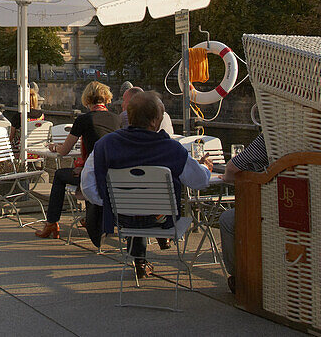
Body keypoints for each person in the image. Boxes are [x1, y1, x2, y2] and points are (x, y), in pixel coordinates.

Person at [91, 90, 213, 278]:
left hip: (121, 218)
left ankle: (138, 258)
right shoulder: (171, 148)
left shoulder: (105, 145)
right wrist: (205, 167)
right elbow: (200, 182)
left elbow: (89, 186)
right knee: (154, 205)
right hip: (161, 221)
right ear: (155, 121)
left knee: (136, 202)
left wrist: (111, 202)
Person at [35, 81, 120, 241]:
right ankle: (88, 218)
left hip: (94, 175)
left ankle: (52, 223)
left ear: (87, 99)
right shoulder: (117, 120)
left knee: (60, 175)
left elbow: (65, 150)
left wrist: (55, 147)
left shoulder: (84, 119)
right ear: (106, 99)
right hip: (113, 175)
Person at [219, 134, 269, 292]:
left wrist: (227, 177)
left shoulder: (271, 135)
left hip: (275, 212)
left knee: (227, 219)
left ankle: (238, 277)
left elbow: (233, 167)